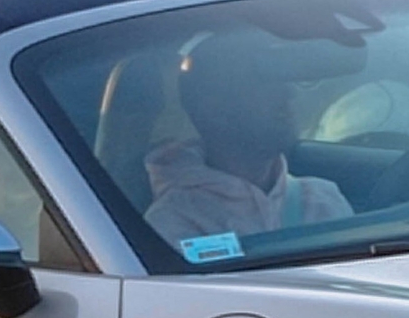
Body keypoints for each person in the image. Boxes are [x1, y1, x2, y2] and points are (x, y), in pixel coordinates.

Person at [143, 37, 352, 250]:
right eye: (264, 82)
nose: (289, 93)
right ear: (214, 110)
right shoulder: (173, 225)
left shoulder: (322, 199)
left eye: (283, 79)